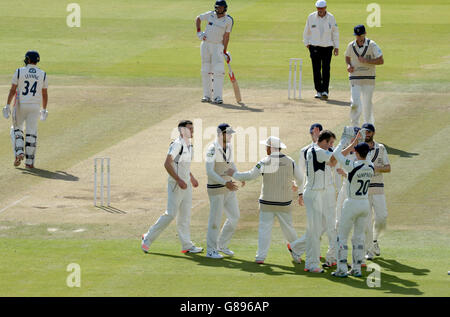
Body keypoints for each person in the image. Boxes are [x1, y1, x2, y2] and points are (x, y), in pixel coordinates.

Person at [226, 136, 304, 264]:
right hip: (284, 203)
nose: (265, 149)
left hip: (267, 203)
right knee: (289, 230)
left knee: (264, 230)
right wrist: (295, 185)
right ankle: (297, 254)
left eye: (267, 147)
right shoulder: (290, 161)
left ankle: (260, 257)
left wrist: (233, 174)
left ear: (270, 148)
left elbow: (251, 175)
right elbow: (300, 178)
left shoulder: (264, 161)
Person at [141, 120, 203, 254]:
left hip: (186, 184)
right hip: (176, 184)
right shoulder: (177, 145)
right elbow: (167, 164)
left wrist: (191, 177)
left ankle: (187, 245)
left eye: (193, 129)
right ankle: (147, 238)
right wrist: (178, 179)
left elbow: (183, 165)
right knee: (171, 214)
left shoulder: (189, 145)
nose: (192, 131)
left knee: (185, 216)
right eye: (189, 129)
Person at [292, 123, 338, 268]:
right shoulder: (313, 150)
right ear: (323, 141)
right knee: (314, 230)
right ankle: (312, 264)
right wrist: (299, 192)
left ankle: (297, 248)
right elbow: (332, 161)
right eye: (330, 143)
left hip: (322, 193)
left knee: (322, 226)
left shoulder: (323, 149)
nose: (331, 145)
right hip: (313, 193)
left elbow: (333, 158)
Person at [332, 131, 374, 277]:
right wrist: (357, 146)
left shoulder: (353, 165)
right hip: (364, 204)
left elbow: (337, 154)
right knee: (358, 237)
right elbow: (365, 157)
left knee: (342, 236)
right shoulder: (371, 166)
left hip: (351, 203)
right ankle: (356, 268)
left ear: (356, 153)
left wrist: (346, 142)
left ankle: (341, 269)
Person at [2, 51, 48, 168]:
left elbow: (13, 90)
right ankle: (29, 163)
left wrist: (7, 105)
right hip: (35, 106)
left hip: (21, 105)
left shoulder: (19, 71)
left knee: (16, 129)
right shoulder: (42, 74)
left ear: (27, 59)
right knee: (31, 134)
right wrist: (44, 109)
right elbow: (44, 93)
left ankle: (19, 152)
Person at [205, 123, 241, 259]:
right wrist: (225, 182)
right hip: (216, 189)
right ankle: (211, 251)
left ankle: (221, 245)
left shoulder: (229, 146)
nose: (231, 136)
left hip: (228, 187)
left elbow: (231, 164)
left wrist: (238, 175)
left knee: (234, 217)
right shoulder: (212, 149)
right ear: (221, 134)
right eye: (228, 133)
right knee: (215, 220)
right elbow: (209, 171)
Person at [361, 123, 391, 260]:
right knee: (366, 220)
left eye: (368, 132)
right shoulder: (359, 148)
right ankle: (369, 250)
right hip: (364, 189)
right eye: (364, 132)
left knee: (382, 217)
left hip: (378, 188)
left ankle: (374, 240)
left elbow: (388, 167)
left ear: (373, 133)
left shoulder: (381, 148)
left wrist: (374, 169)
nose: (366, 134)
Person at [195, 0, 234, 104]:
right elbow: (198, 18)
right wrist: (199, 32)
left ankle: (217, 97)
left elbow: (226, 36)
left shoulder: (228, 20)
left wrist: (224, 50)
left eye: (221, 7)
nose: (218, 9)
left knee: (218, 71)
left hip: (217, 46)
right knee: (205, 70)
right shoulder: (210, 14)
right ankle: (206, 96)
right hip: (205, 45)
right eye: (217, 7)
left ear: (225, 8)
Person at [345, 24, 384, 126]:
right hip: (355, 78)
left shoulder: (372, 45)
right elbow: (347, 56)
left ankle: (369, 128)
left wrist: (366, 61)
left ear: (365, 34)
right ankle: (354, 128)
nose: (359, 37)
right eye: (357, 35)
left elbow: (381, 60)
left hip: (368, 78)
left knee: (367, 105)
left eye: (361, 35)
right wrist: (348, 65)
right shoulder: (351, 45)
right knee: (355, 104)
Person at [303, 0, 339, 100]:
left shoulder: (331, 17)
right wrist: (307, 43)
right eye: (318, 8)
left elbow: (335, 32)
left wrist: (336, 47)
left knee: (326, 69)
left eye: (322, 8)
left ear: (325, 8)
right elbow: (306, 31)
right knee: (316, 69)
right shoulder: (311, 17)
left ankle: (325, 91)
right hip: (315, 47)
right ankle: (318, 91)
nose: (320, 10)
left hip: (328, 47)